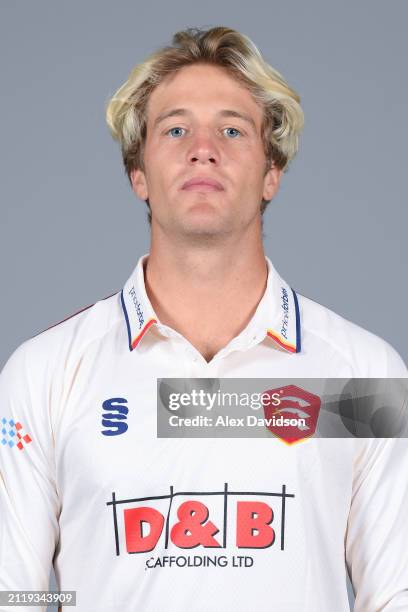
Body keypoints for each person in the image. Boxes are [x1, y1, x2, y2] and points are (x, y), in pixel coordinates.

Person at [0, 26, 407, 612]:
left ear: (273, 172)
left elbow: (395, 595)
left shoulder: (366, 376)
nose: (203, 147)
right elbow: (16, 597)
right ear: (138, 173)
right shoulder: (43, 373)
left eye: (233, 129)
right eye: (175, 128)